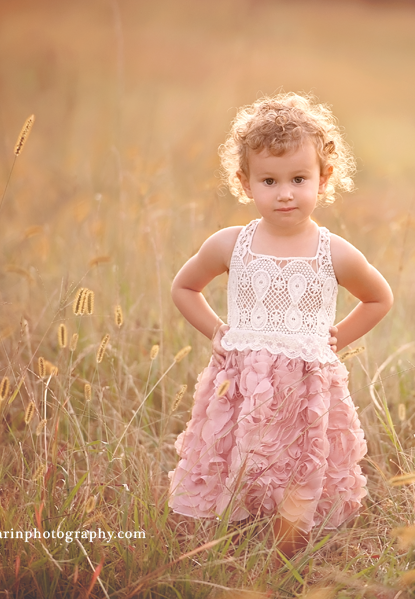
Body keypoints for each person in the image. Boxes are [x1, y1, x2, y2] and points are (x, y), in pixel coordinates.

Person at [167, 93, 392, 558]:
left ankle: (285, 557)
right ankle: (226, 545)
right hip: (242, 386)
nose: (284, 192)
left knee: (298, 465)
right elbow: (184, 288)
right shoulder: (230, 245)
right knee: (238, 458)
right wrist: (216, 331)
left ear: (323, 179)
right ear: (245, 183)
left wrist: (337, 339)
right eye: (269, 180)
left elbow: (378, 297)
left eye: (298, 179)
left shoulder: (336, 253)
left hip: (305, 388)